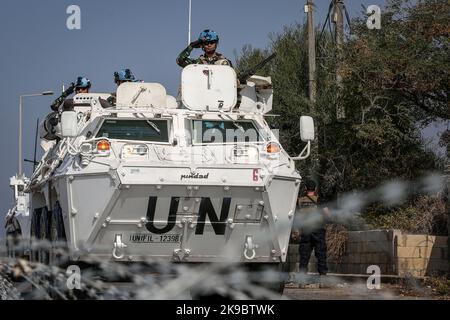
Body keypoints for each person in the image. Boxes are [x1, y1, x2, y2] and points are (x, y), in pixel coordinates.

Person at [298, 179, 330, 277]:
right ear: (315, 188)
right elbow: (327, 214)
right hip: (318, 230)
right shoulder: (319, 200)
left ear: (305, 188)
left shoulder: (300, 201)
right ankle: (323, 277)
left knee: (304, 255)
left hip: (306, 230)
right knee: (320, 253)